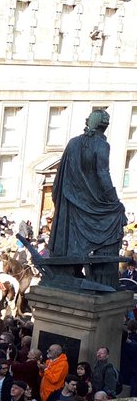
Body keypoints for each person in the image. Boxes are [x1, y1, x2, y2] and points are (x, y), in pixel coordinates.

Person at [48, 109, 126, 288]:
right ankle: (102, 274)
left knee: (73, 231)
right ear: (104, 127)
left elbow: (61, 175)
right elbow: (103, 174)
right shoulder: (102, 145)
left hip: (71, 197)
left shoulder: (73, 143)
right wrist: (115, 200)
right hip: (91, 199)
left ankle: (73, 266)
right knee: (116, 214)